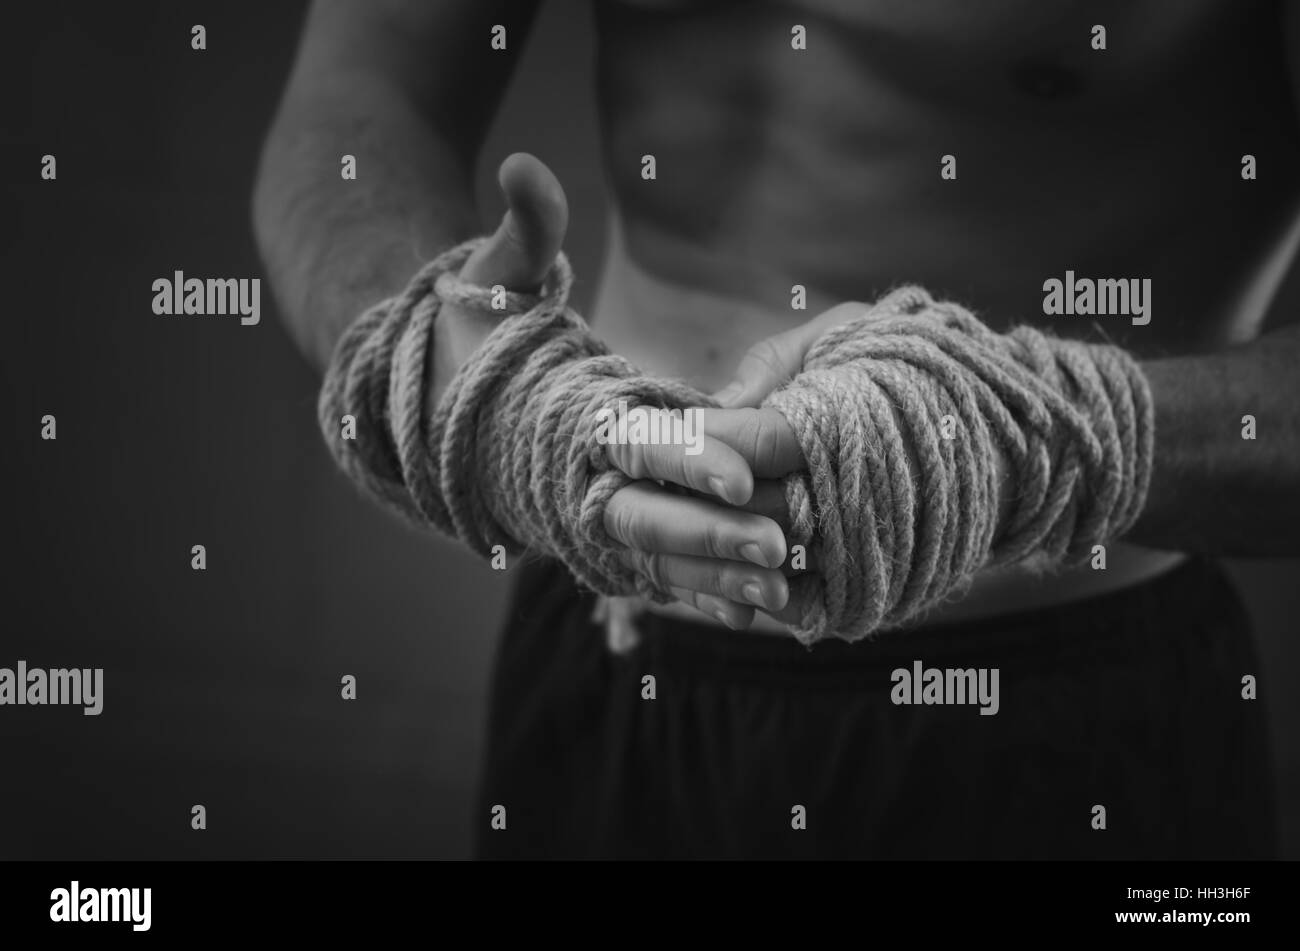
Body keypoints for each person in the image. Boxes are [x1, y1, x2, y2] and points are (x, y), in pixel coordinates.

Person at [253, 0, 1298, 858]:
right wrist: (457, 382)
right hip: (610, 652)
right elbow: (356, 100)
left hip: (1065, 712)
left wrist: (1028, 440)